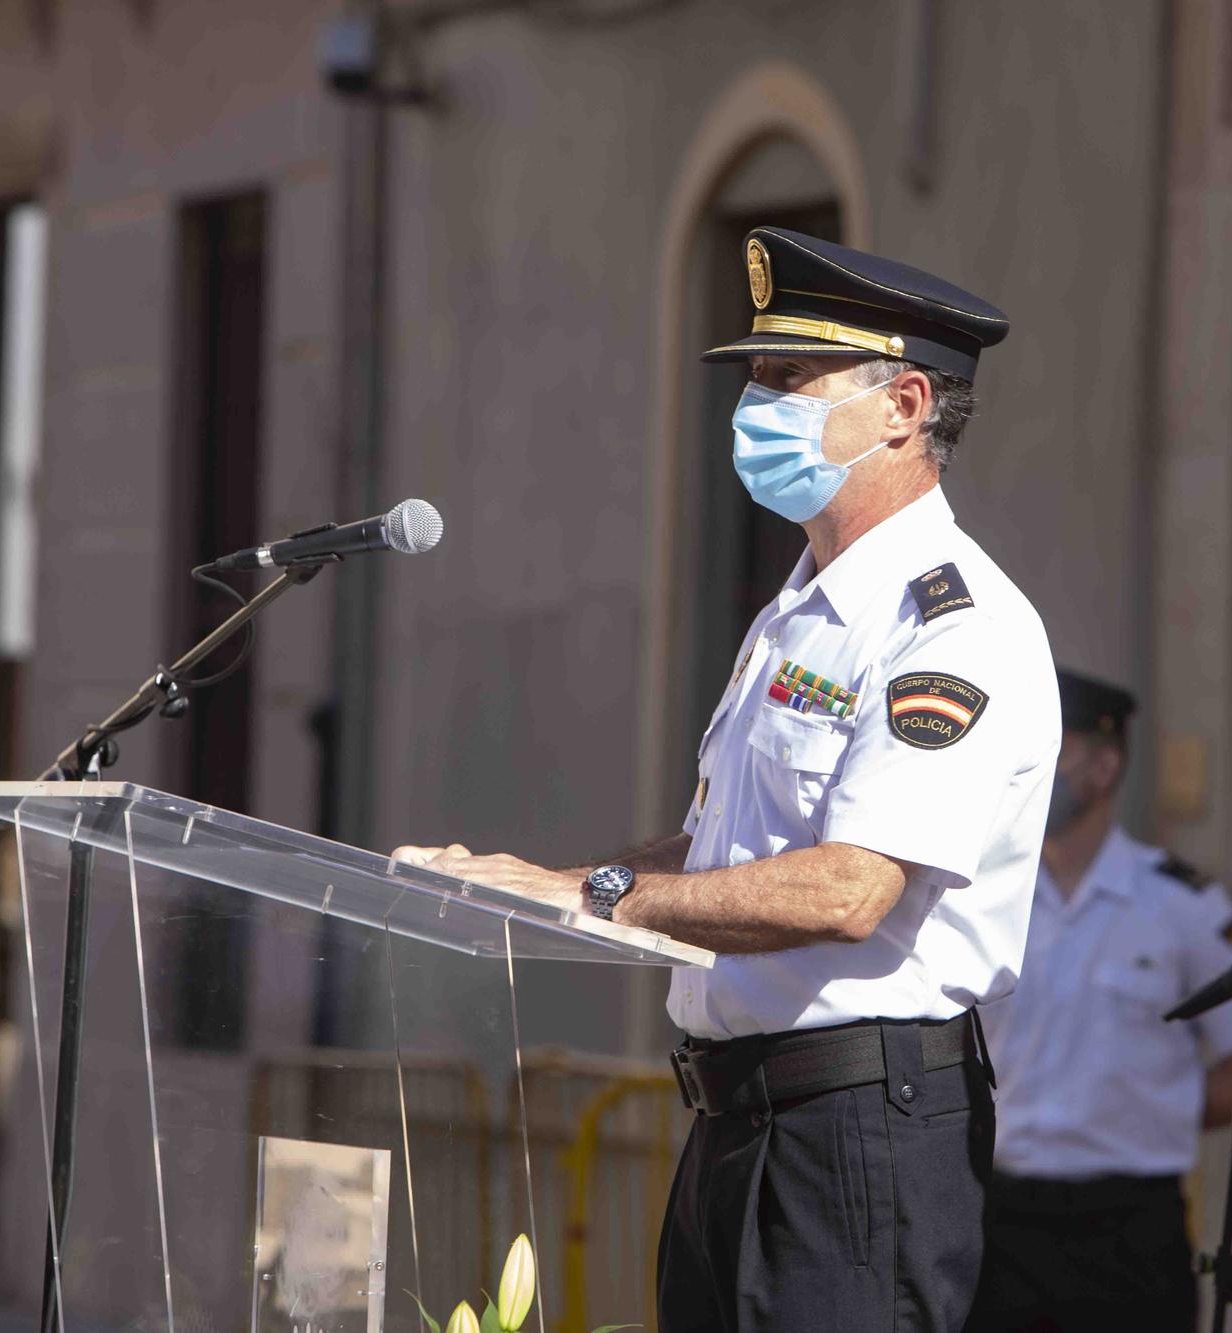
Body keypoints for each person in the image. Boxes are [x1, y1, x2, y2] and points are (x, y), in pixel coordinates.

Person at [395, 226, 1059, 1332]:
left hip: (854, 1129)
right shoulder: (799, 608)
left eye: (790, 378)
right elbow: (727, 850)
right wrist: (549, 880)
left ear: (902, 405)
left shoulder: (949, 625)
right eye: (756, 375)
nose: (757, 404)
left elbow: (849, 889)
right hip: (737, 1119)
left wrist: (600, 897)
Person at [969, 667, 1232, 1333]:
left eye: (1052, 750)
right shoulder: (982, 894)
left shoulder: (1180, 903)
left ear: (1105, 763)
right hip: (1000, 1220)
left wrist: (1155, 1106)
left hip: (1128, 1229)